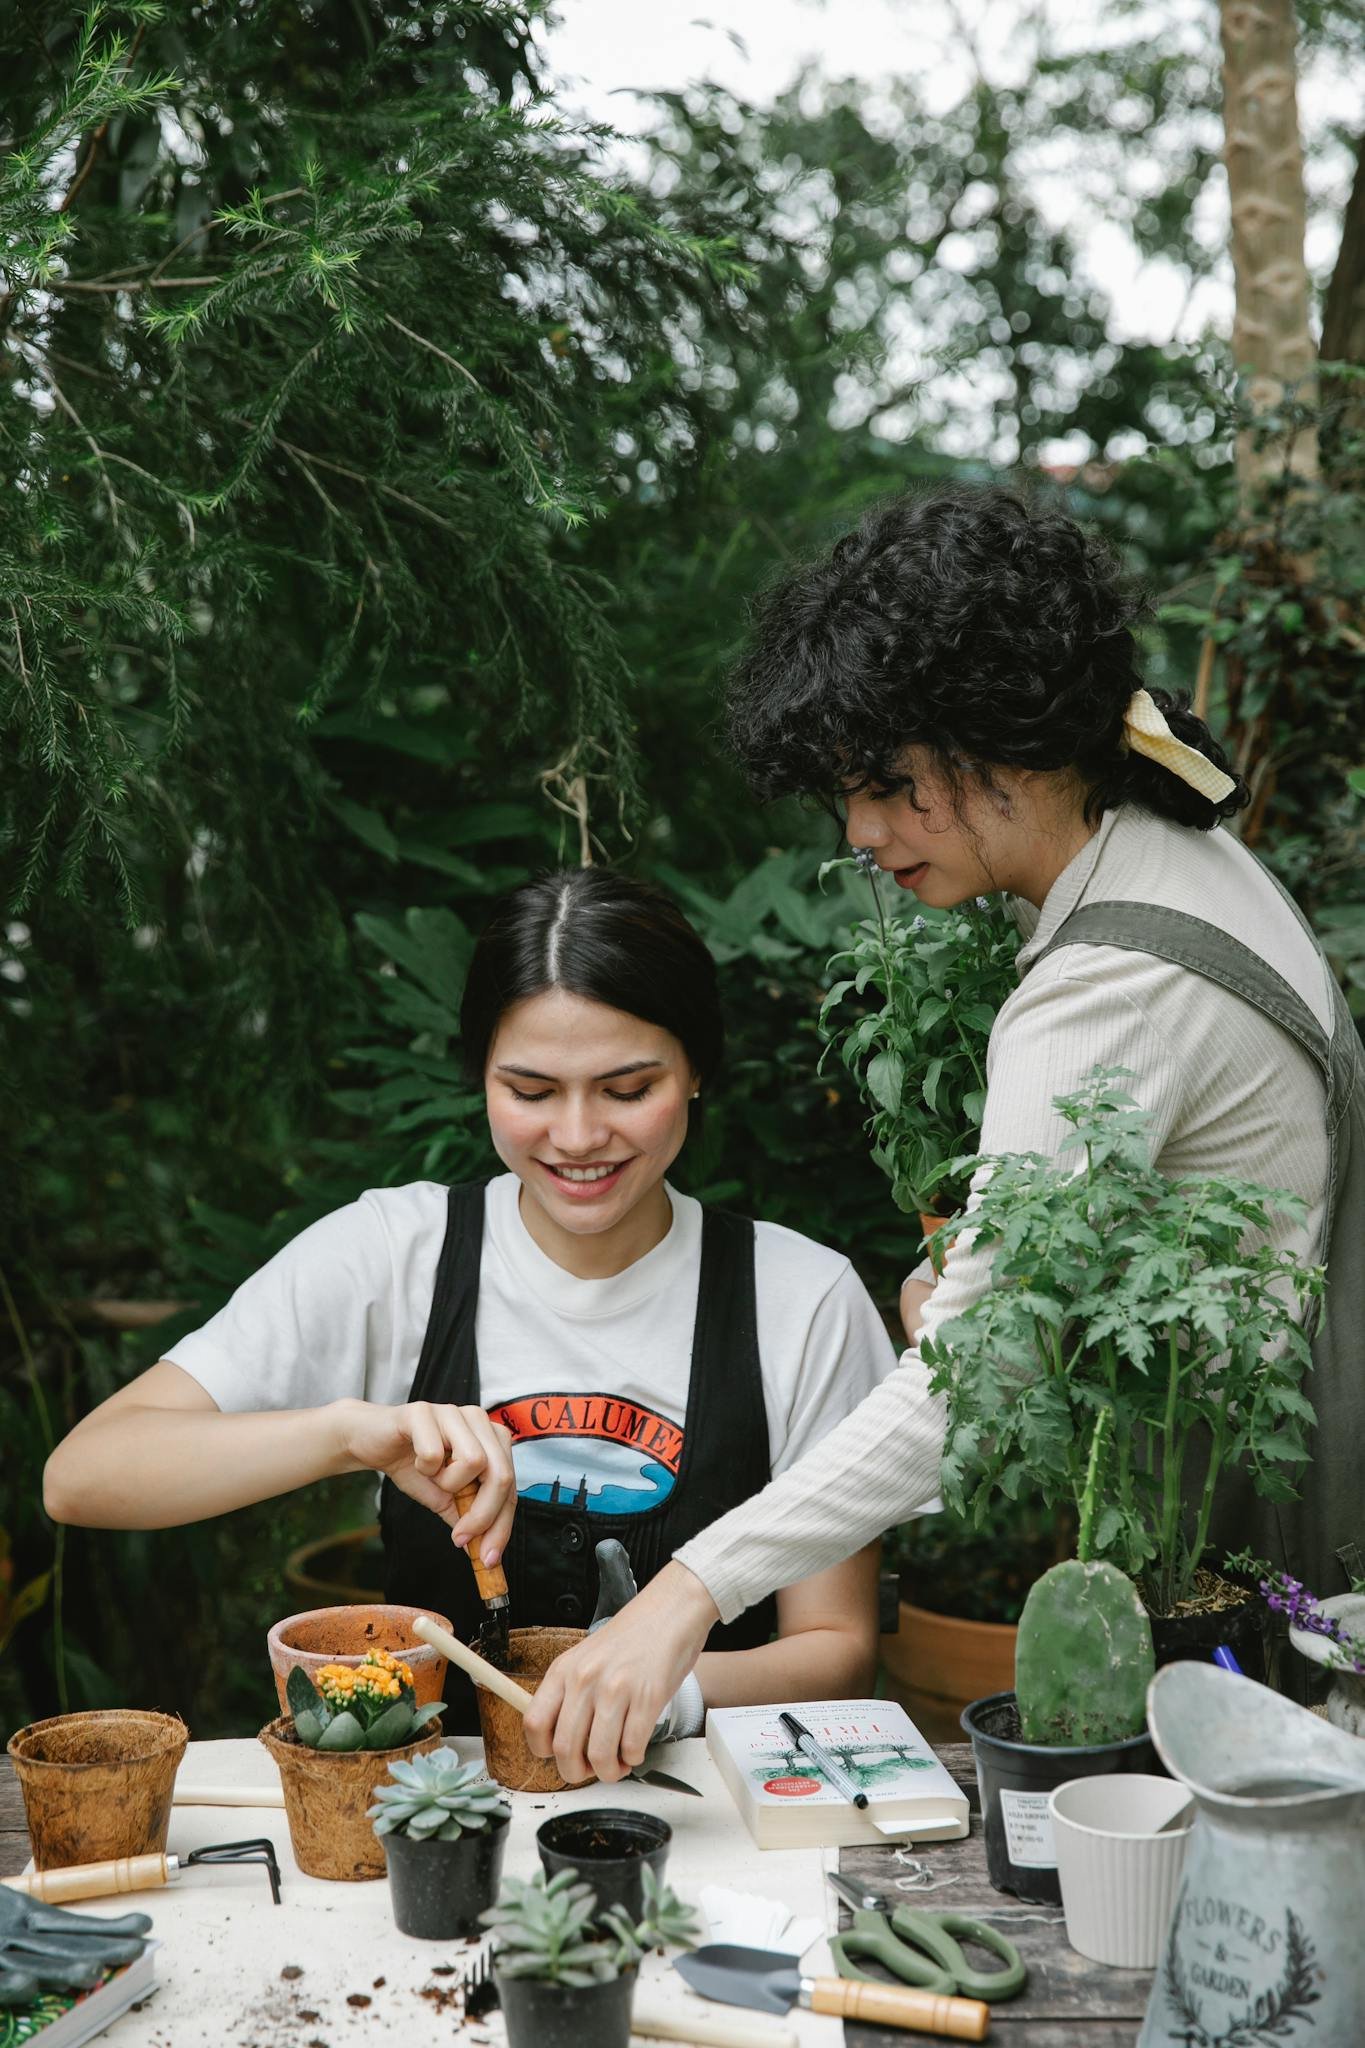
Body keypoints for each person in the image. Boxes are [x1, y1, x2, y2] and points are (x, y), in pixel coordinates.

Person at [510, 483, 1364, 1785]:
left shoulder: (1102, 983)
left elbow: (973, 1388)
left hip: (1269, 1582)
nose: (861, 833)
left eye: (890, 785)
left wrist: (678, 1599)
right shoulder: (1173, 841)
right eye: (846, 793)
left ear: (1008, 743)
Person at [44, 869, 900, 1730]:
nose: (576, 1137)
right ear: (479, 1076)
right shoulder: (393, 1255)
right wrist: (346, 1435)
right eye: (529, 1092)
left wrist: (669, 1690)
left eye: (627, 1090)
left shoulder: (802, 1297)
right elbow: (85, 1477)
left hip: (718, 1816)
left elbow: (837, 1644)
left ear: (698, 1070)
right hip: (432, 1812)